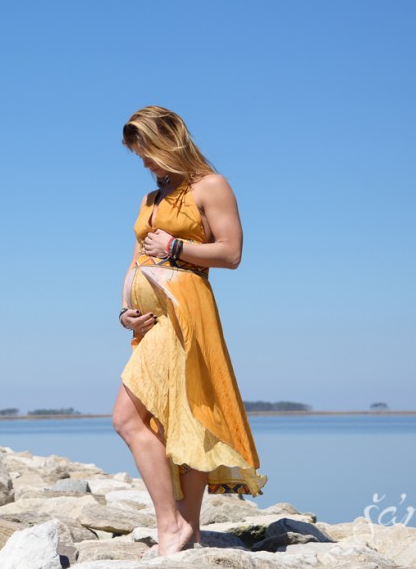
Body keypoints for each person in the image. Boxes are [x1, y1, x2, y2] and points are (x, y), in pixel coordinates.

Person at [113, 105, 267, 554]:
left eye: (146, 152)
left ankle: (172, 525)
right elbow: (138, 258)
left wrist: (176, 245)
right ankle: (188, 529)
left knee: (132, 418)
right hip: (150, 323)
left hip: (186, 314)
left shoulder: (211, 186)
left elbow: (231, 252)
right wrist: (124, 312)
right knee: (171, 421)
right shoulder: (151, 199)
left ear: (169, 141)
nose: (143, 163)